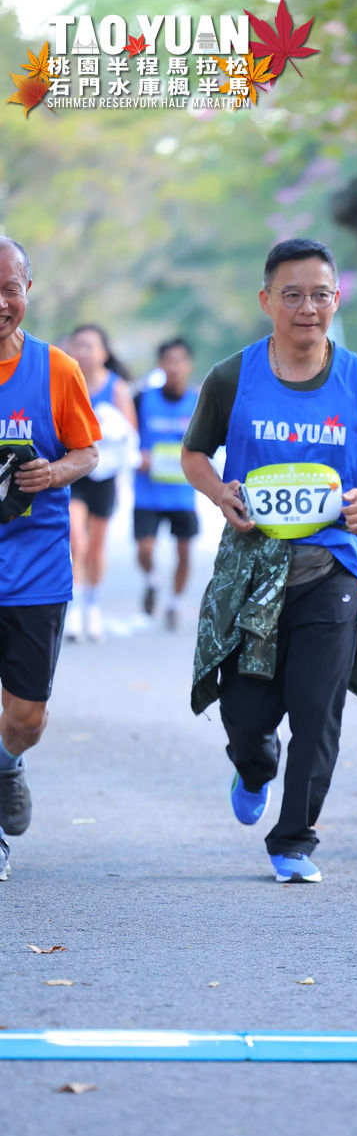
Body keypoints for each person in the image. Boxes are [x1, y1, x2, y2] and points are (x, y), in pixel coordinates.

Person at [181, 238, 357, 883]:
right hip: (253, 570)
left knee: (317, 709)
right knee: (246, 714)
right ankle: (255, 767)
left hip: (333, 566)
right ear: (267, 300)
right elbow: (194, 455)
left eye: (320, 295)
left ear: (336, 300)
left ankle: (294, 842)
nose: (307, 307)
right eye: (293, 295)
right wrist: (220, 492)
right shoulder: (232, 377)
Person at [0, 238, 101, 881]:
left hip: (35, 570)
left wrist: (53, 473)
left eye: (9, 288)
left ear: (27, 292)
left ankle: (7, 763)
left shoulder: (56, 369)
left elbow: (88, 452)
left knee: (26, 720)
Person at [66, 323, 138, 642]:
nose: (83, 352)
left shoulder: (116, 388)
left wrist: (111, 433)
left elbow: (132, 437)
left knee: (95, 548)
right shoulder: (64, 381)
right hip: (73, 474)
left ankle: (92, 608)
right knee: (75, 541)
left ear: (104, 353)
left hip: (105, 476)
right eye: (78, 345)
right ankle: (74, 608)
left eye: (89, 346)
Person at [134, 338, 200, 630]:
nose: (175, 368)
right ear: (160, 365)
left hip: (183, 494)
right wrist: (138, 454)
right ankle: (152, 579)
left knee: (184, 550)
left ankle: (175, 603)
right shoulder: (141, 399)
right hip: (147, 493)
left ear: (189, 365)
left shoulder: (199, 402)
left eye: (180, 361)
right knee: (144, 550)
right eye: (169, 361)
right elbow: (126, 434)